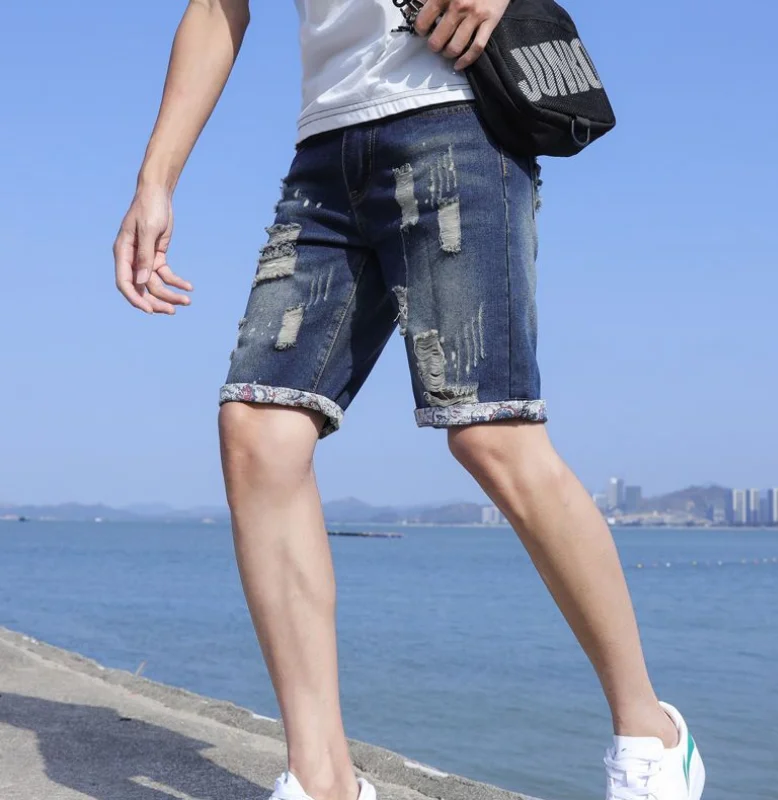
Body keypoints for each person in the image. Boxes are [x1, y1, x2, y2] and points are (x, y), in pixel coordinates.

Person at [113, 2, 705, 799]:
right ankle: (322, 779)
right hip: (326, 152)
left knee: (491, 434)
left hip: (455, 118)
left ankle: (652, 735)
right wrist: (155, 181)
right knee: (257, 428)